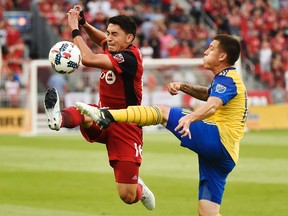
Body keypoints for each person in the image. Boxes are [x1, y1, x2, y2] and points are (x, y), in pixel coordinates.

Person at [75, 34, 248, 216]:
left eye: (211, 48)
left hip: (217, 140)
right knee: (208, 212)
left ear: (222, 56)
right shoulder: (227, 79)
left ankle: (107, 114)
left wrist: (190, 118)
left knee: (163, 112)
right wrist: (183, 86)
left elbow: (212, 105)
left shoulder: (227, 78)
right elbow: (209, 94)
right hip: (225, 156)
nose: (205, 51)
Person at [44, 5, 155, 210]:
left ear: (129, 38)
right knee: (85, 111)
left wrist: (75, 29)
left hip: (125, 125)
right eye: (108, 32)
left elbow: (88, 58)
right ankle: (58, 119)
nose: (109, 38)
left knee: (128, 196)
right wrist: (85, 23)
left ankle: (138, 187)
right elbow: (100, 41)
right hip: (101, 114)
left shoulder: (130, 58)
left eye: (114, 34)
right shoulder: (115, 48)